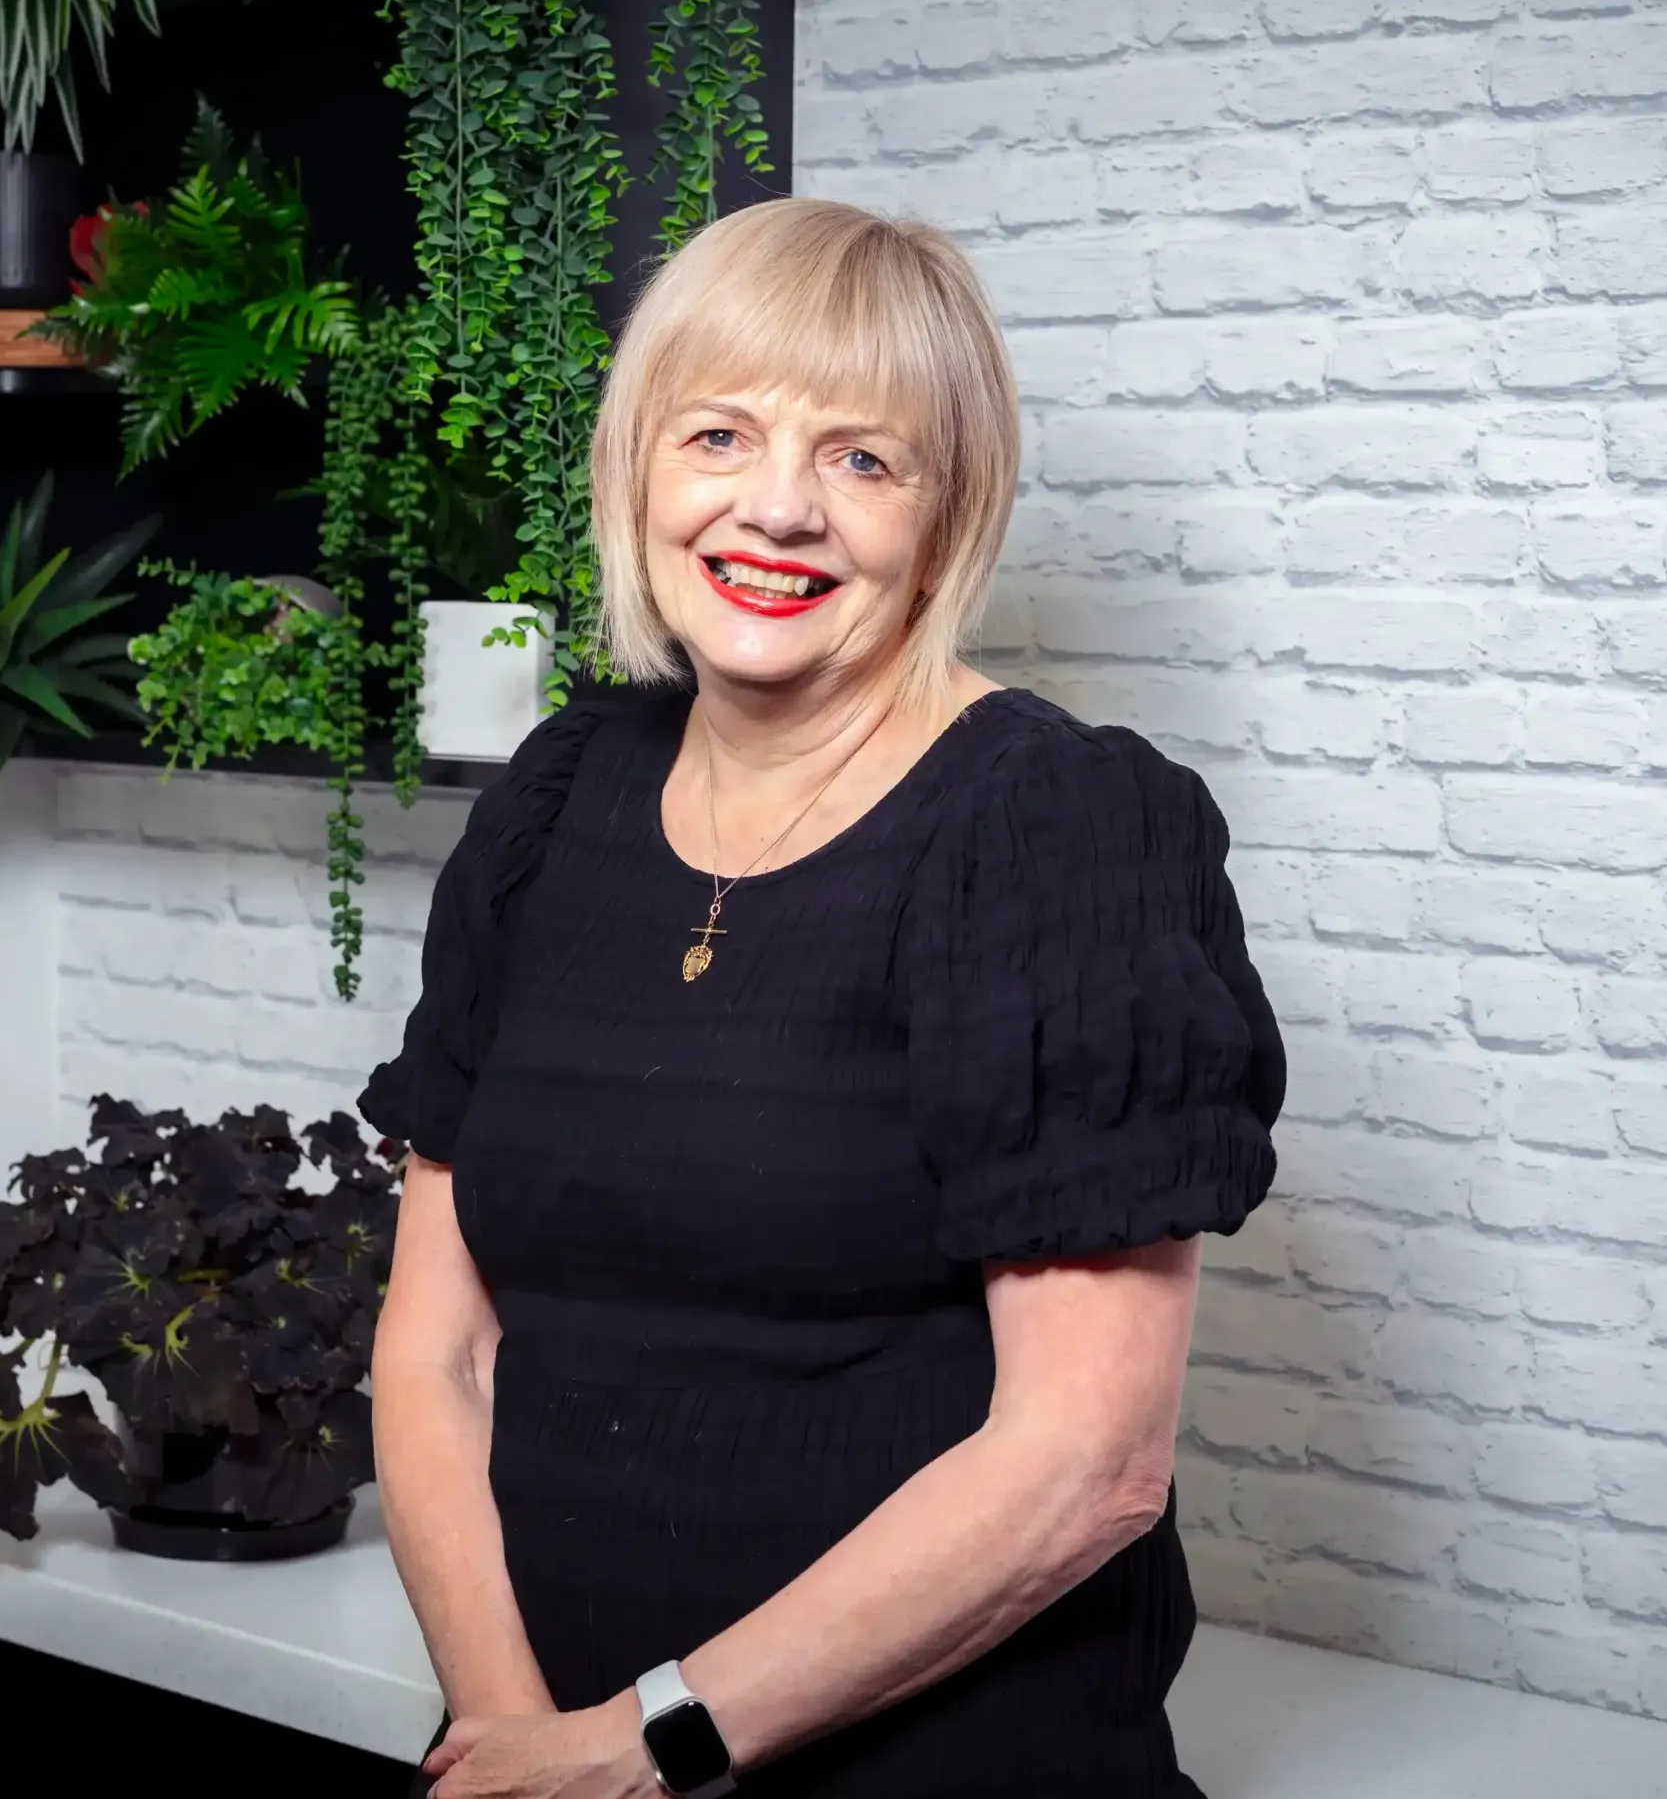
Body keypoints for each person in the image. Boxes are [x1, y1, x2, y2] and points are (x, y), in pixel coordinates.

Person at [360, 196, 1285, 1799]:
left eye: (864, 460)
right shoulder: (558, 796)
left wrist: (645, 1749)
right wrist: (519, 1740)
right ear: (640, 464)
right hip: (545, 1752)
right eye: (718, 434)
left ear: (947, 513)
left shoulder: (1052, 830)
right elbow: (434, 1349)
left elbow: (1088, 1469)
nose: (777, 510)